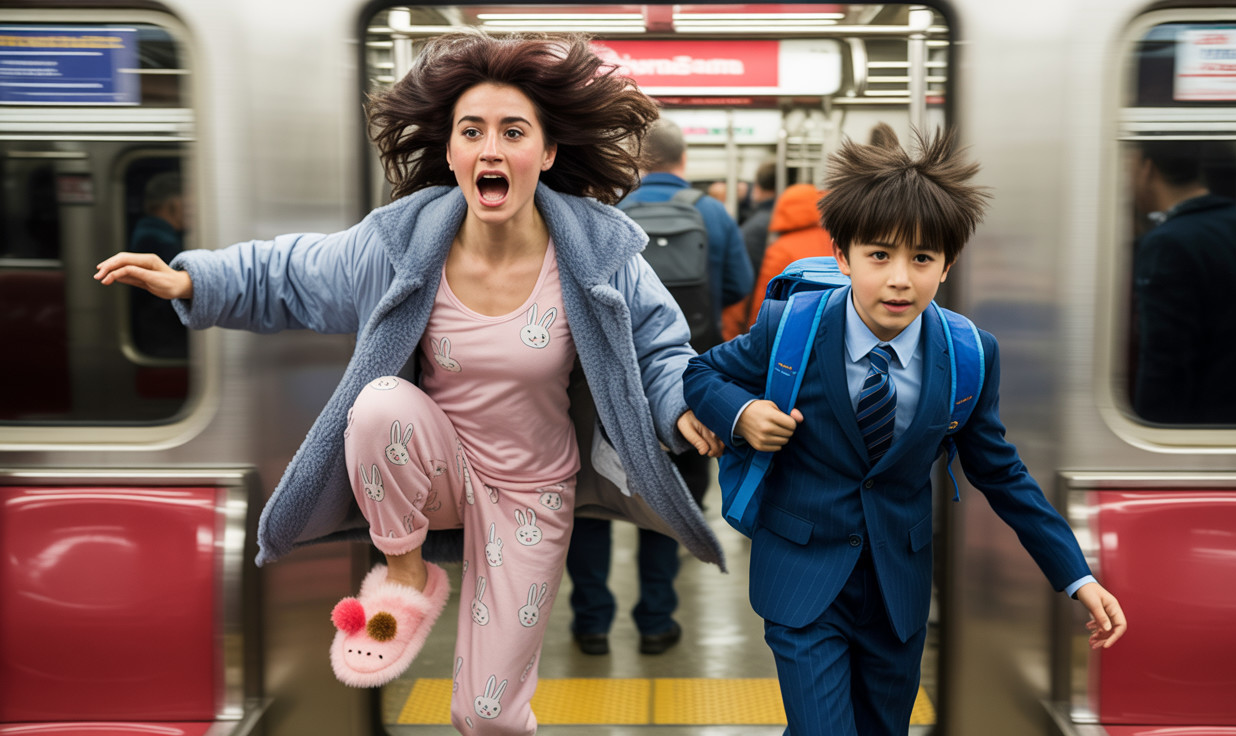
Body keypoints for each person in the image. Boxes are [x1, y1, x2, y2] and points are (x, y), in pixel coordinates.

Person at [94, 31, 725, 735]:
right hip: (433, 471)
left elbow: (661, 346)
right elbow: (295, 271)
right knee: (377, 405)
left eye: (513, 132)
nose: (490, 149)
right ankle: (403, 573)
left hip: (532, 493)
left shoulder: (597, 253)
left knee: (485, 712)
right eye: (471, 132)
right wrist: (193, 277)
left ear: (545, 154)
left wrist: (680, 409)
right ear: (451, 152)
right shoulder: (402, 243)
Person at [683, 129, 1126, 736]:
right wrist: (740, 416)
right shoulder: (791, 327)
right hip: (802, 577)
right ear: (842, 256)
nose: (899, 279)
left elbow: (1000, 473)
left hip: (898, 590)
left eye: (921, 258)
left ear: (946, 265)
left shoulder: (970, 354)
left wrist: (1076, 575)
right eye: (879, 255)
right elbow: (701, 371)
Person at [565, 118, 753, 657]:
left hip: (604, 388)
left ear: (634, 163)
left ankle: (592, 623)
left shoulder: (606, 218)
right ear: (683, 160)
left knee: (591, 504)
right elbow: (738, 285)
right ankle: (655, 620)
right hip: (690, 383)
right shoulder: (713, 213)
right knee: (671, 502)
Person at [1130, 139, 1236, 424]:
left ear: (1147, 169)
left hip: (1208, 424)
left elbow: (1166, 361)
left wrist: (1151, 432)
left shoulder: (1165, 243)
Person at [743, 182, 832, 329]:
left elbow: (765, 299)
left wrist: (755, 330)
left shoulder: (780, 249)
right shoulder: (836, 240)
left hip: (796, 328)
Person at [128, 171, 188, 358]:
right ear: (173, 204)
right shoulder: (160, 241)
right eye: (189, 205)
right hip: (162, 337)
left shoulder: (147, 230)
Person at [721, 160, 778, 341]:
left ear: (758, 188)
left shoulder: (752, 229)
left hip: (761, 325)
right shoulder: (820, 227)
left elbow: (743, 285)